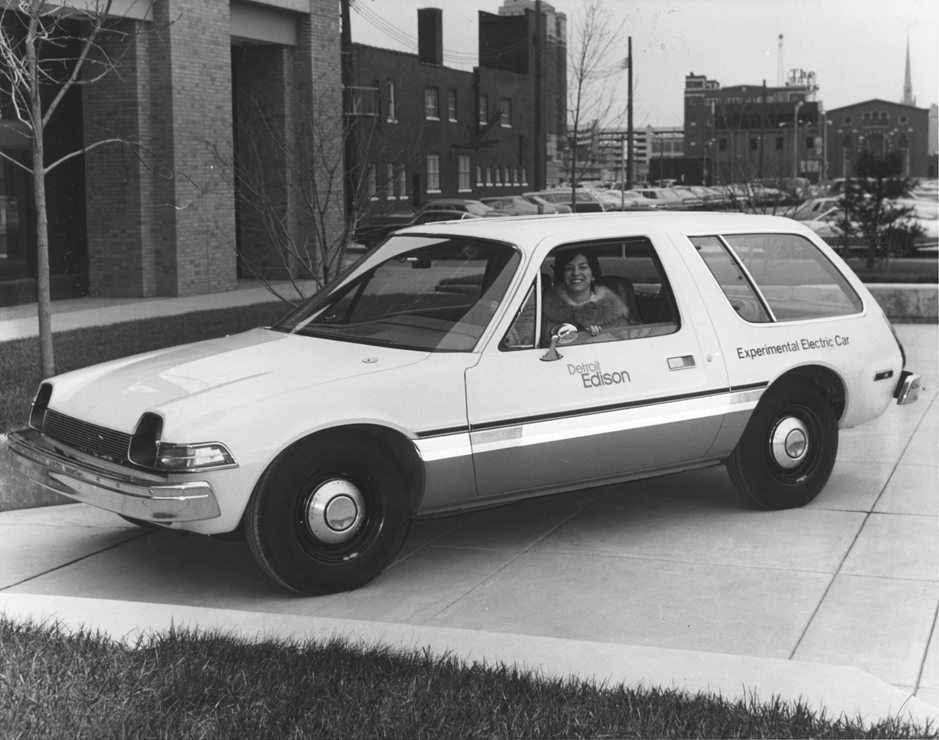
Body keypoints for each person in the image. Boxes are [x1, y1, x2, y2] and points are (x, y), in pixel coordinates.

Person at [542, 250, 636, 336]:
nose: (575, 273)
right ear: (563, 275)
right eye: (569, 268)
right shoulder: (543, 312)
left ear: (593, 275)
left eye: (582, 267)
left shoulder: (615, 317)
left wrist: (598, 339)